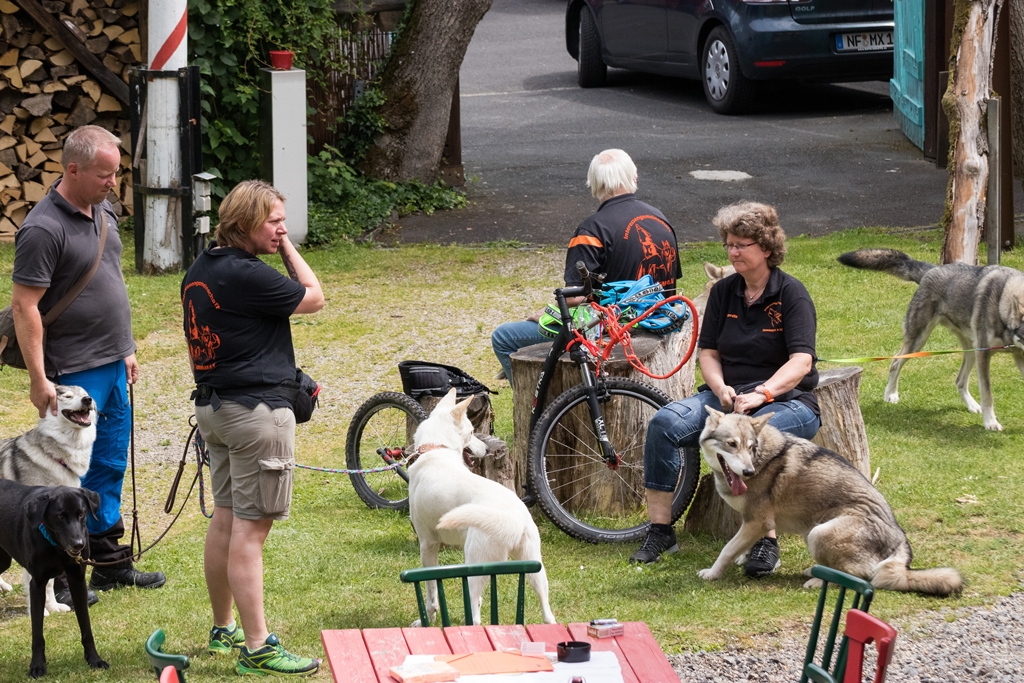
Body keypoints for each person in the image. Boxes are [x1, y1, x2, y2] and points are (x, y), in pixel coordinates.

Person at [11, 125, 165, 607]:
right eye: (105, 174)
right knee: (65, 474)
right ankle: (61, 575)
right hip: (74, 370)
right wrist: (40, 381)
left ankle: (108, 562)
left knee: (110, 463)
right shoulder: (41, 228)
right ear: (72, 169)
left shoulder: (103, 210)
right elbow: (24, 307)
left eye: (116, 173)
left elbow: (110, 277)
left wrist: (127, 345)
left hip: (113, 362)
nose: (113, 183)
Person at [631, 201, 821, 577]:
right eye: (729, 244)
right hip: (726, 398)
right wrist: (719, 388)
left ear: (766, 248)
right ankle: (660, 530)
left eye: (742, 245)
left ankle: (766, 542)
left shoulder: (791, 295)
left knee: (757, 439)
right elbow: (709, 352)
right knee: (665, 423)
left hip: (786, 401)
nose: (732, 252)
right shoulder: (723, 292)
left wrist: (763, 394)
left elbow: (802, 362)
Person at [181, 180, 324, 677]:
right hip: (256, 415)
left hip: (215, 410)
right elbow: (314, 297)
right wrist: (287, 247)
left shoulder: (203, 268)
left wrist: (276, 235)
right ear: (243, 224)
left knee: (225, 517)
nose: (282, 229)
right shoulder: (248, 275)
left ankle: (225, 629)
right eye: (273, 221)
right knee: (250, 530)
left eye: (283, 221)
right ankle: (258, 646)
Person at [491, 149, 680, 386]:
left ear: (595, 183)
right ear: (633, 177)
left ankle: (539, 410)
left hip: (610, 329)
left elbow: (575, 297)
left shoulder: (592, 230)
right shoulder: (660, 220)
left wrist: (546, 314)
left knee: (504, 336)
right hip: (658, 320)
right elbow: (670, 285)